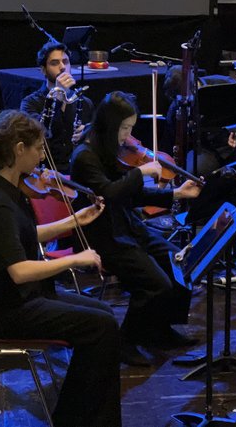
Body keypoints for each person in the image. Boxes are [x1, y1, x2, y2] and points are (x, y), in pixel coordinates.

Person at [0, 110, 120, 427]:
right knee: (101, 327)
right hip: (8, 309)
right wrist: (76, 259)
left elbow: (25, 236)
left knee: (104, 315)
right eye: (38, 149)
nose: (42, 156)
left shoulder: (9, 190)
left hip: (21, 298)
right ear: (18, 149)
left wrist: (75, 220)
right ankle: (80, 419)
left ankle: (81, 415)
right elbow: (19, 271)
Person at [70, 91, 201, 365]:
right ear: (110, 124)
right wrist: (139, 173)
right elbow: (109, 194)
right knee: (155, 284)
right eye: (125, 128)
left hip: (126, 226)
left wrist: (177, 194)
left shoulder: (109, 150)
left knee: (179, 261)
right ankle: (124, 341)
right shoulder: (85, 156)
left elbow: (130, 195)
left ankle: (159, 331)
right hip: (102, 236)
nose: (128, 136)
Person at [161, 65, 236, 176]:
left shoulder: (223, 83)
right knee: (191, 174)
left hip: (234, 144)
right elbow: (170, 140)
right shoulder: (176, 106)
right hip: (205, 150)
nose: (183, 101)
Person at [21, 42, 94, 172]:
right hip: (46, 171)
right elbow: (41, 135)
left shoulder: (84, 102)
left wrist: (87, 134)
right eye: (54, 63)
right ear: (43, 69)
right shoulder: (30, 103)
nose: (62, 67)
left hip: (77, 170)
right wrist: (58, 96)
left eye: (65, 62)